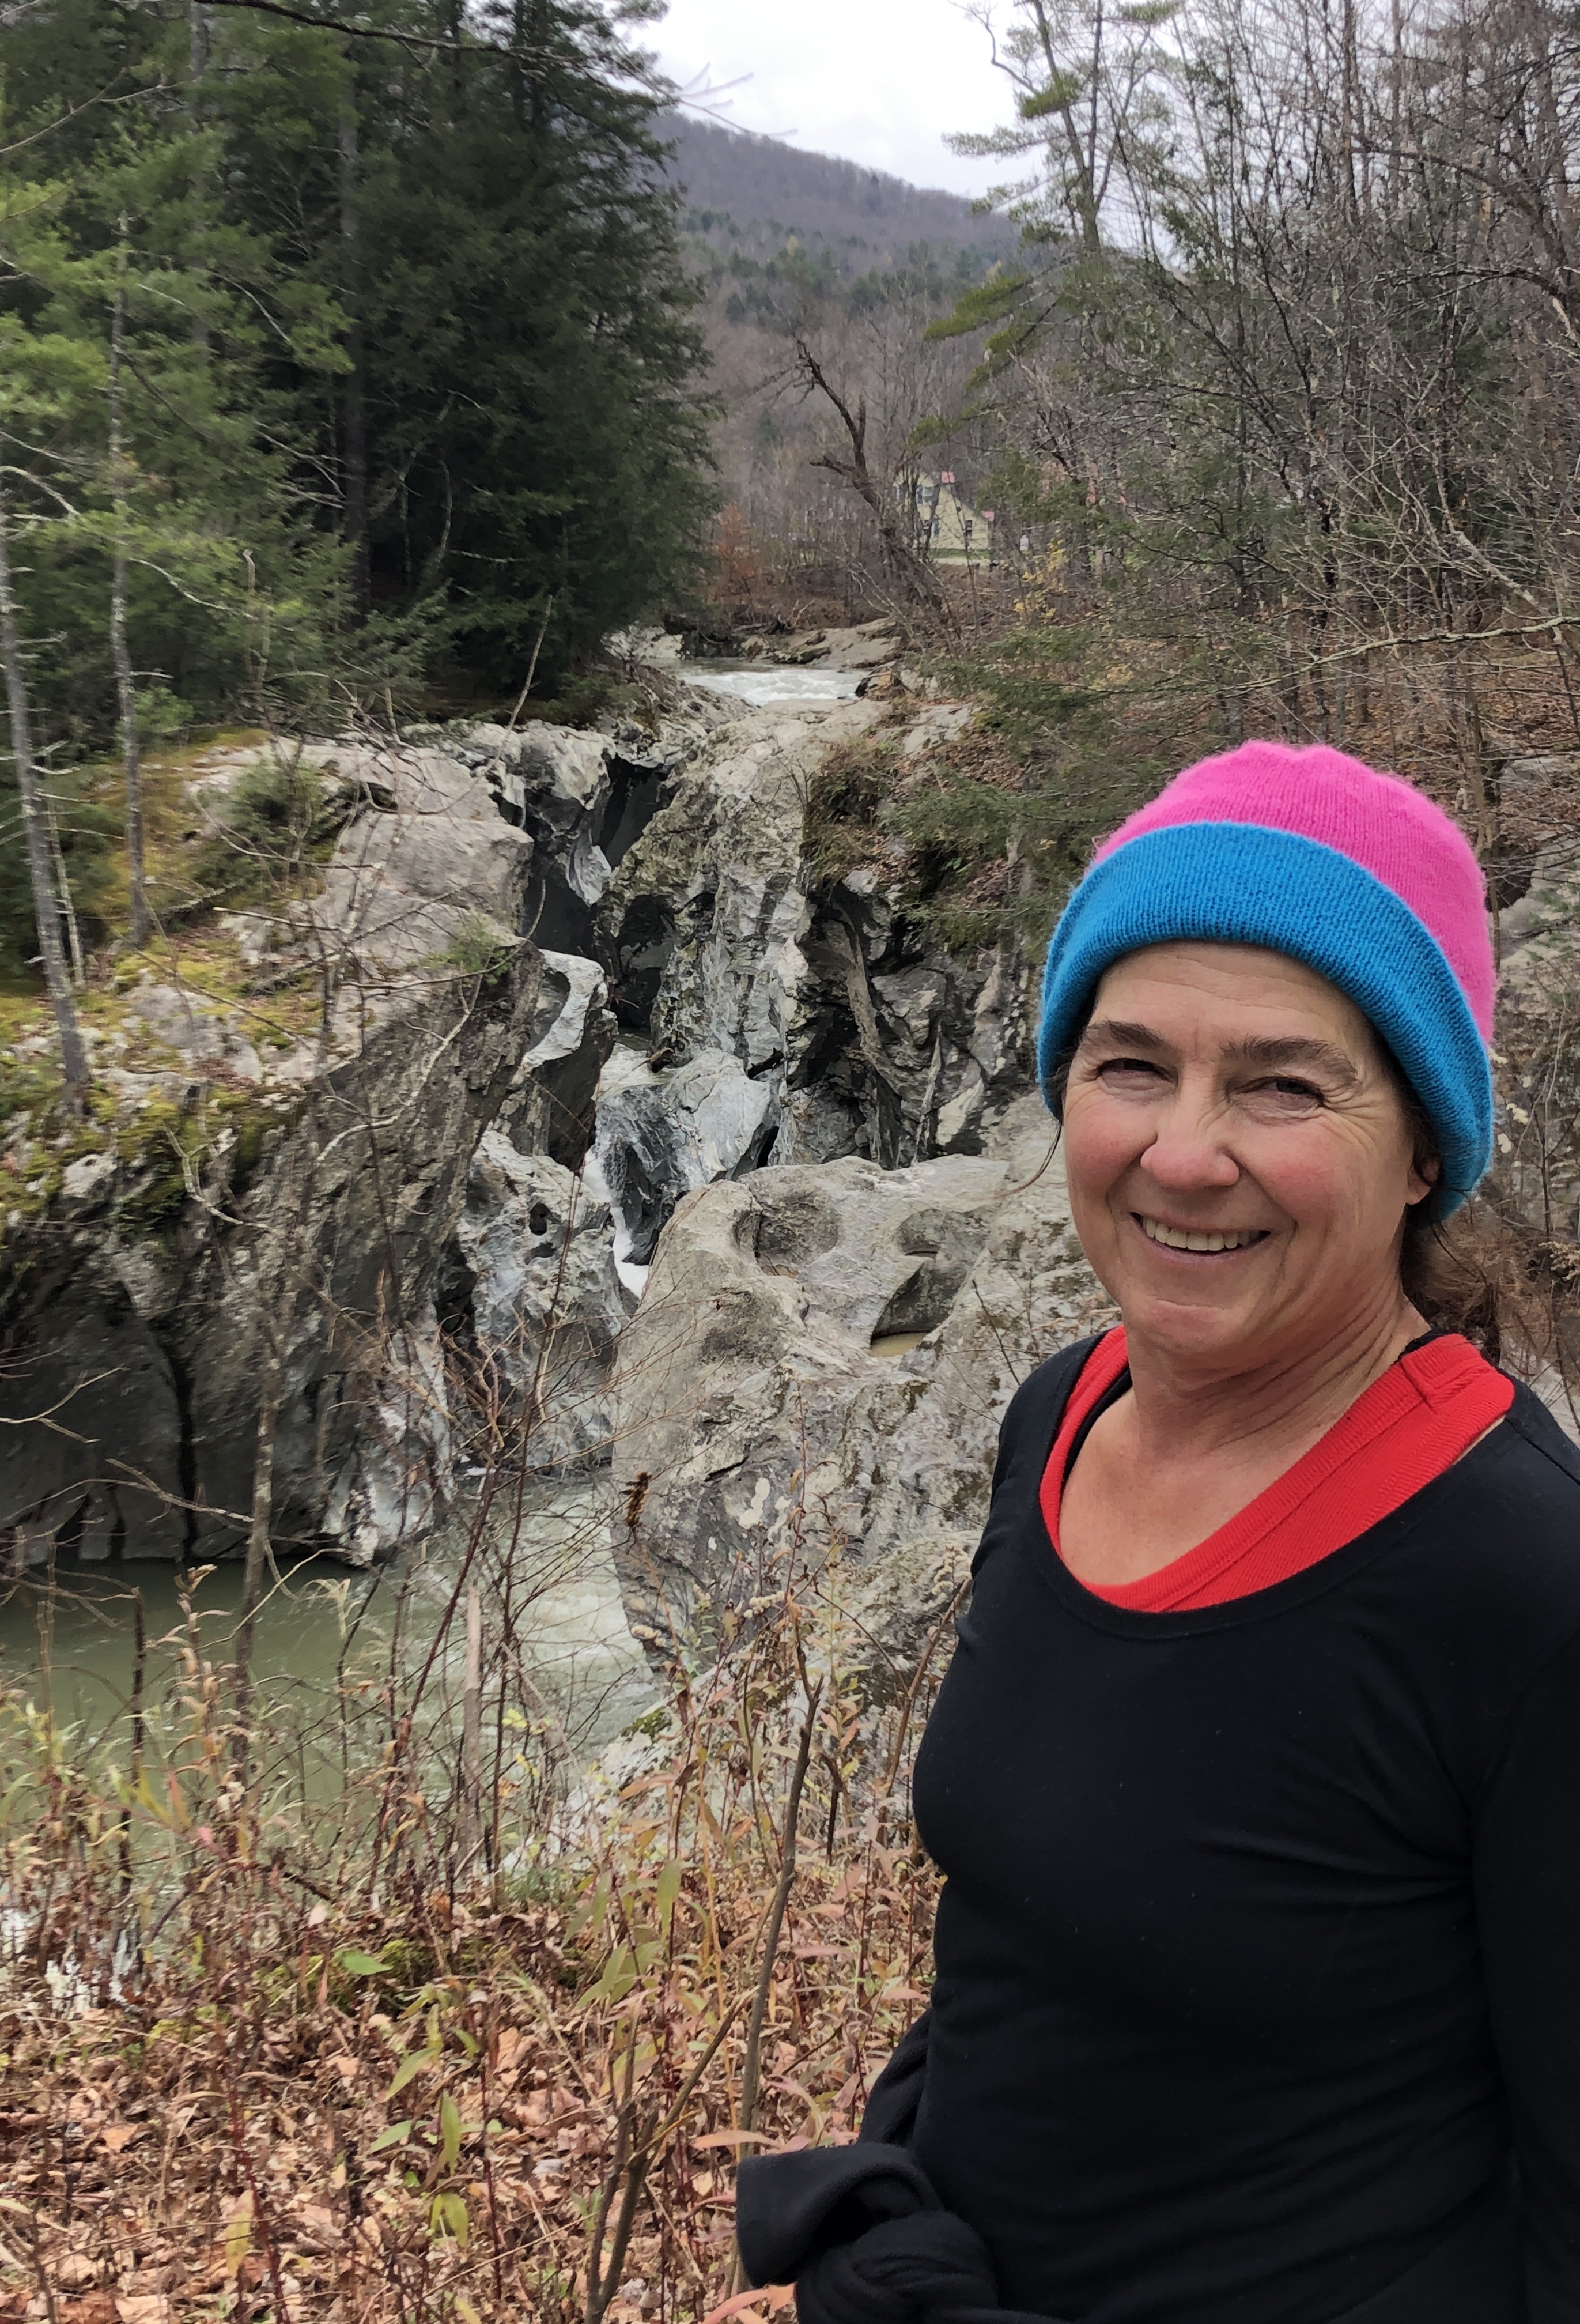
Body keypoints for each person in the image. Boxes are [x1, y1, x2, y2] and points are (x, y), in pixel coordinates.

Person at [737, 741, 1580, 2324]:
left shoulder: (1522, 1579)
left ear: (1424, 1147)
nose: (1185, 1155)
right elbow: (1021, 1952)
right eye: (1131, 1065)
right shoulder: (1065, 1417)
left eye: (1283, 1084)